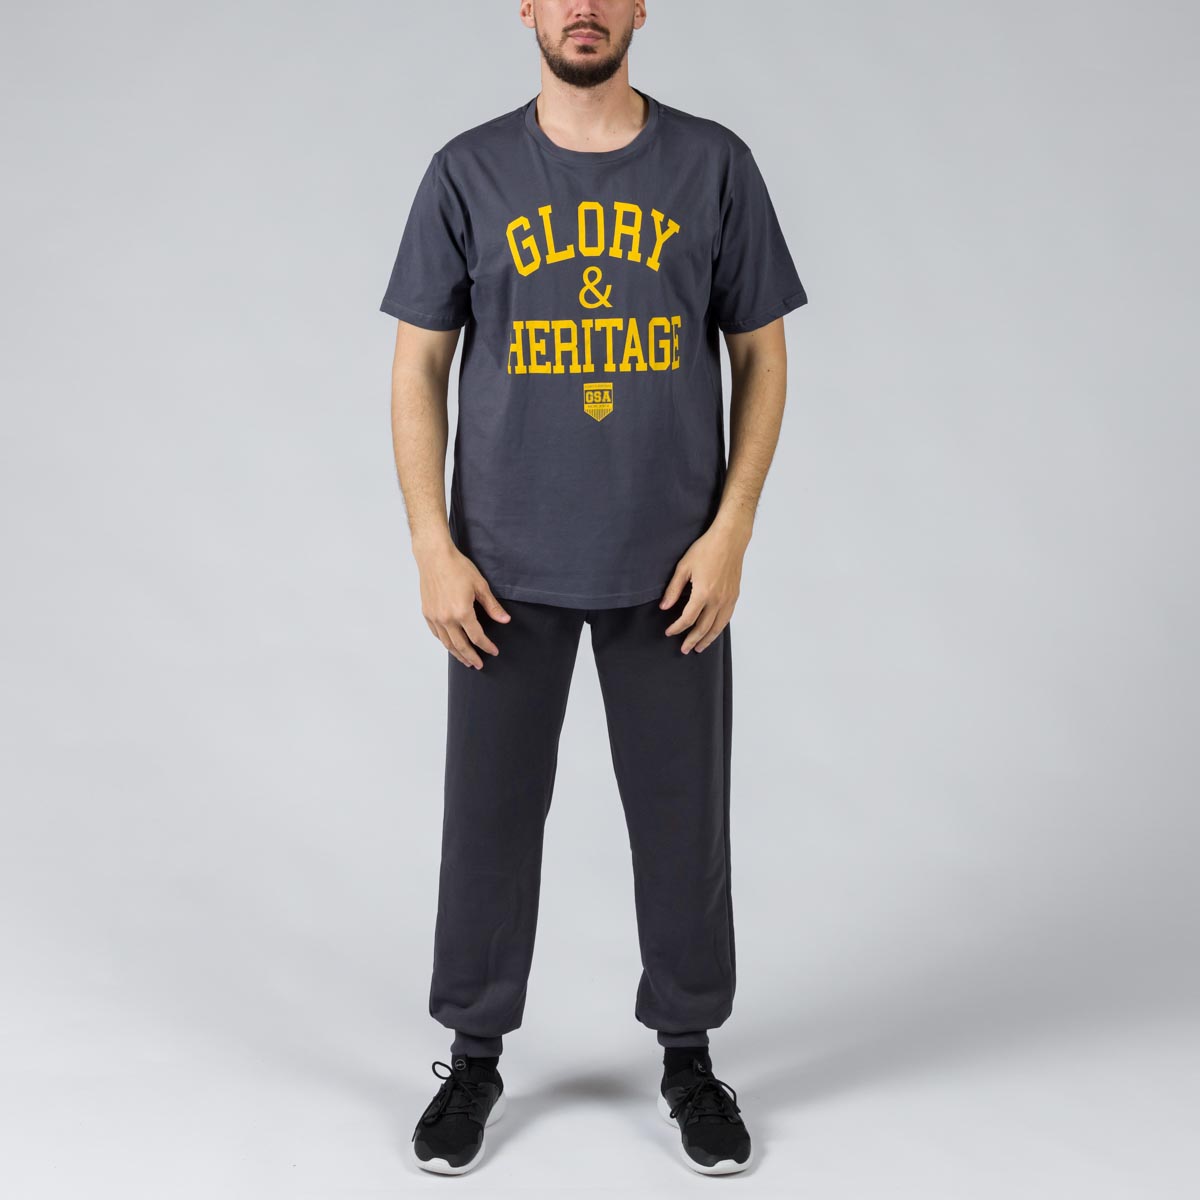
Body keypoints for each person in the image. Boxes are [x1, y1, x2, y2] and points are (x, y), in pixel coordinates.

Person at [379, 0, 807, 1177]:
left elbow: (762, 352)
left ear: (640, 6)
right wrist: (432, 546)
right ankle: (472, 1058)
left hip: (672, 567)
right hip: (501, 567)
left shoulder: (712, 165)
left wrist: (732, 530)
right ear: (525, 6)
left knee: (683, 824)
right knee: (487, 822)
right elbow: (418, 363)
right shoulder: (467, 172)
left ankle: (689, 1056)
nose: (583, 8)